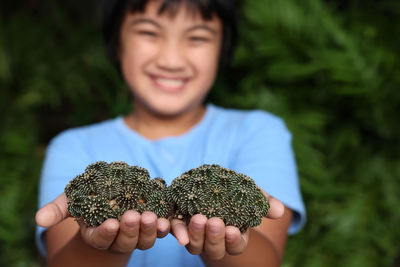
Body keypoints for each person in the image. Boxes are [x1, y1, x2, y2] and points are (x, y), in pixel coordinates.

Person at [35, 0, 306, 266]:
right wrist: (104, 244)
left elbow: (266, 260)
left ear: (222, 48)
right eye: (149, 32)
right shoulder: (72, 147)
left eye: (197, 37)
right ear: (117, 42)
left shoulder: (258, 132)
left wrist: (219, 243)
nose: (171, 59)